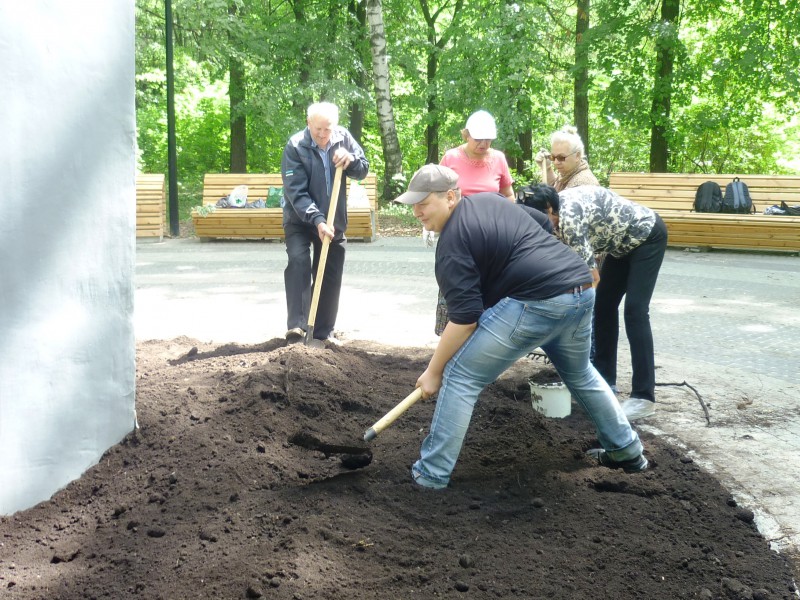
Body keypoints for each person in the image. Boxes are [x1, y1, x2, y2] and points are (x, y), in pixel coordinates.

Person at [395, 164, 648, 490]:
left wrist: (434, 370)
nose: (417, 212)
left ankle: (430, 475)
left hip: (538, 301)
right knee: (580, 372)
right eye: (412, 204)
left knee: (460, 376)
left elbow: (465, 319)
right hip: (581, 289)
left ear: (450, 197)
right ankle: (627, 451)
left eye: (424, 203)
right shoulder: (489, 201)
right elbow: (542, 222)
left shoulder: (452, 245)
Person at [520, 184, 668, 421]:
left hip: (647, 235)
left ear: (549, 209)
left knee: (635, 311)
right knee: (603, 306)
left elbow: (591, 278)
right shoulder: (553, 217)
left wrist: (573, 320)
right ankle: (604, 383)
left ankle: (644, 396)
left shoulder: (569, 220)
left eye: (538, 217)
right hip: (621, 246)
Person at [281, 102, 369, 345]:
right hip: (300, 219)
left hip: (334, 220)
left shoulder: (344, 139)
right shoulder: (296, 146)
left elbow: (363, 169)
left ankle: (322, 332)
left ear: (335, 126)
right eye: (318, 128)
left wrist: (350, 160)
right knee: (299, 261)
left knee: (330, 271)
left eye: (327, 129)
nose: (322, 134)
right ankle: (297, 328)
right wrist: (317, 220)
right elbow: (295, 192)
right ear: (309, 123)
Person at [430, 110, 515, 334]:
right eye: (478, 139)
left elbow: (508, 195)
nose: (484, 143)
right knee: (458, 283)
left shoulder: (498, 159)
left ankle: (486, 340)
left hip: (491, 236)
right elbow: (436, 193)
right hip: (458, 234)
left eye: (488, 139)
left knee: (489, 286)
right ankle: (451, 336)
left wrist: (509, 222)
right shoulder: (451, 158)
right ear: (466, 135)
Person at [535, 125, 599, 191]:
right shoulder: (568, 174)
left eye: (561, 157)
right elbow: (554, 187)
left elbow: (556, 196)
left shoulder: (582, 184)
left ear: (577, 156)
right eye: (553, 157)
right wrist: (547, 168)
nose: (556, 162)